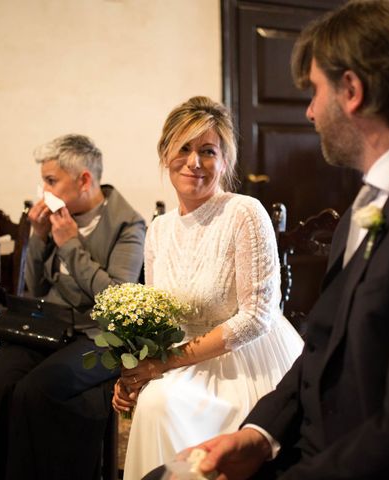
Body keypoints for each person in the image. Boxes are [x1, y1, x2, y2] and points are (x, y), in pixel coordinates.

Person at [144, 1, 389, 479]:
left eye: (314, 91)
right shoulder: (366, 204)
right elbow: (321, 349)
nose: (308, 112)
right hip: (324, 445)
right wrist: (258, 434)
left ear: (351, 91)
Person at [114, 96, 304, 479]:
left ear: (224, 160)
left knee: (160, 404)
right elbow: (159, 320)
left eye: (207, 151)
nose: (195, 162)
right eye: (184, 148)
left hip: (246, 360)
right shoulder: (159, 229)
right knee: (155, 400)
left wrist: (164, 365)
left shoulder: (244, 212)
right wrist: (137, 371)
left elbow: (256, 318)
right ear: (165, 153)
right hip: (183, 360)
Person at [0, 134, 145, 480]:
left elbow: (118, 300)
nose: (44, 191)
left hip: (97, 333)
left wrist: (70, 246)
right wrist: (38, 238)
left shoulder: (128, 224)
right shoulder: (56, 217)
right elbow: (34, 290)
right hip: (49, 326)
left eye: (51, 181)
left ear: (84, 180)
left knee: (35, 391)